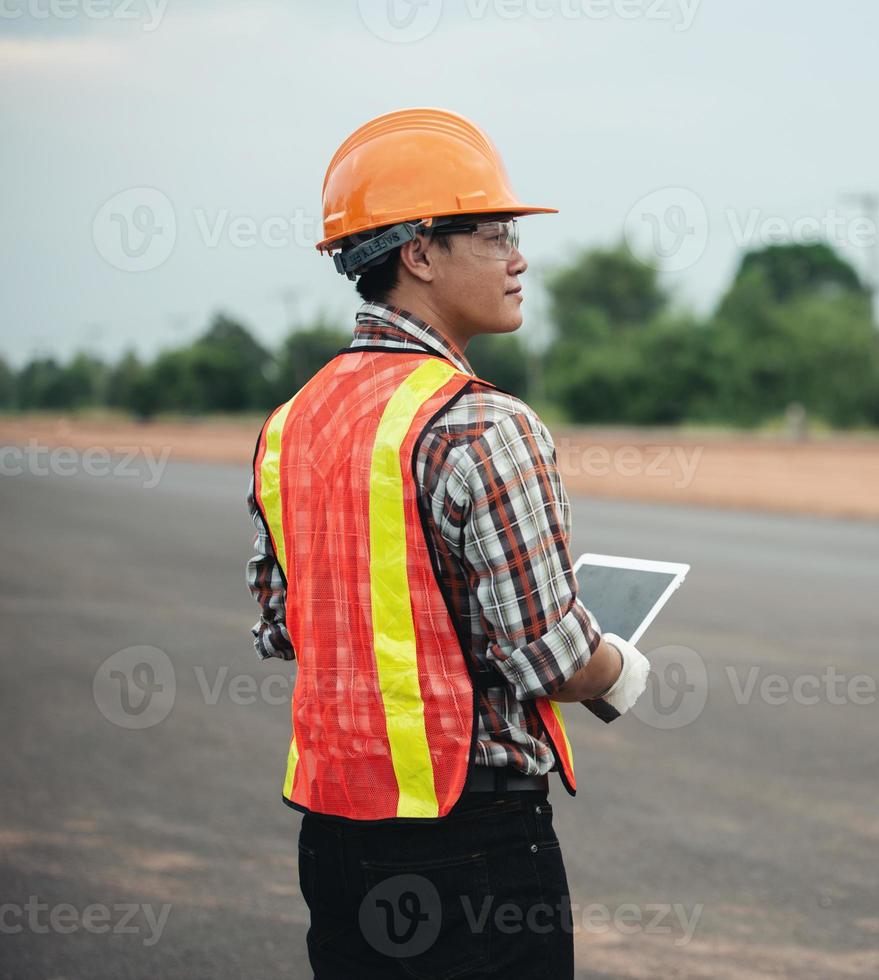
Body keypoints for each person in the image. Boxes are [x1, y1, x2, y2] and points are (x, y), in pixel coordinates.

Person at [245, 107, 651, 979]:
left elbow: (283, 628)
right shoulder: (484, 425)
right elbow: (548, 658)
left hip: (335, 842)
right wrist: (619, 665)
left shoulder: (290, 426)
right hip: (475, 847)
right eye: (494, 231)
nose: (519, 256)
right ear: (419, 253)